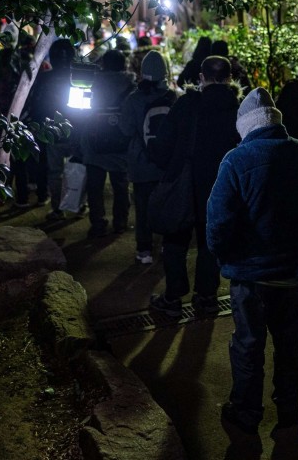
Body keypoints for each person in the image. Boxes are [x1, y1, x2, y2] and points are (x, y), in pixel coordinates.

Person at [207, 88, 298, 441]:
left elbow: (218, 223)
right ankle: (288, 408)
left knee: (248, 344)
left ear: (245, 126)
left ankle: (247, 413)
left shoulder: (234, 160)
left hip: (250, 278)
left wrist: (226, 258)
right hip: (291, 273)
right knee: (289, 341)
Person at [149, 55, 240, 316]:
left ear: (201, 78)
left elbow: (163, 145)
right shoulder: (237, 108)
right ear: (229, 78)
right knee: (210, 242)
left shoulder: (187, 104)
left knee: (176, 239)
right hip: (221, 184)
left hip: (186, 183)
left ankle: (173, 298)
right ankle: (208, 297)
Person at [119, 50, 179, 264]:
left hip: (141, 163)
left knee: (143, 209)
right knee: (167, 205)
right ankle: (166, 245)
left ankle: (144, 251)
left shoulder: (133, 99)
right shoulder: (173, 97)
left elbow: (126, 130)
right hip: (167, 164)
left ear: (142, 72)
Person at [23, 39, 80, 219]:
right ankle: (76, 206)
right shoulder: (80, 77)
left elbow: (37, 106)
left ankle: (58, 209)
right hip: (76, 131)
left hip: (52, 132)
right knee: (77, 170)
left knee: (56, 173)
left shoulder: (45, 79)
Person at [82, 49, 135, 237]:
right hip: (120, 142)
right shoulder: (131, 84)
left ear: (103, 64)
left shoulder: (92, 83)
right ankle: (120, 222)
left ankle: (98, 222)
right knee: (120, 186)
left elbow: (82, 112)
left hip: (94, 141)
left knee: (94, 187)